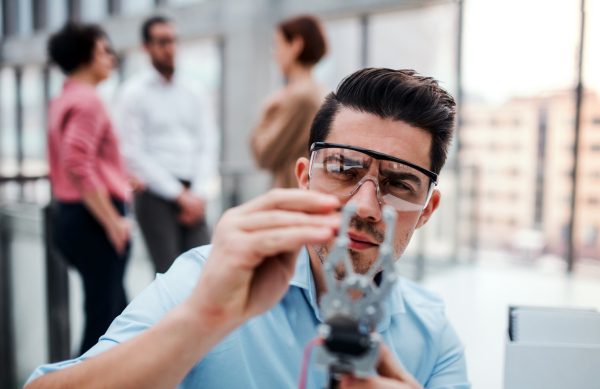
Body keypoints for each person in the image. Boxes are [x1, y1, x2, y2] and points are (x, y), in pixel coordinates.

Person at [26, 68, 470, 389]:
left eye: (399, 184)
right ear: (304, 177)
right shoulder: (205, 279)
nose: (366, 206)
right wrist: (202, 320)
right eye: (344, 169)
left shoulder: (432, 336)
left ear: (427, 209)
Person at [46, 22, 131, 356]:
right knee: (104, 322)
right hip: (93, 219)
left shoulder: (64, 98)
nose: (111, 58)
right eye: (104, 51)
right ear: (85, 57)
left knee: (115, 314)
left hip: (71, 216)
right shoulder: (88, 101)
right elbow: (76, 162)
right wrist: (113, 222)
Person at [113, 16, 218, 274]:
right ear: (146, 47)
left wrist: (198, 193)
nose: (169, 48)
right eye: (161, 42)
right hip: (154, 195)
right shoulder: (132, 93)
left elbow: (208, 142)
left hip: (193, 190)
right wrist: (178, 195)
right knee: (168, 274)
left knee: (206, 268)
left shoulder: (194, 90)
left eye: (172, 41)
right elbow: (132, 154)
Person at [251, 14, 327, 189]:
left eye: (278, 45)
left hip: (293, 195)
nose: (274, 54)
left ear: (296, 45)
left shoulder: (300, 97)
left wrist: (268, 110)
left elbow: (264, 154)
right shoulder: (318, 91)